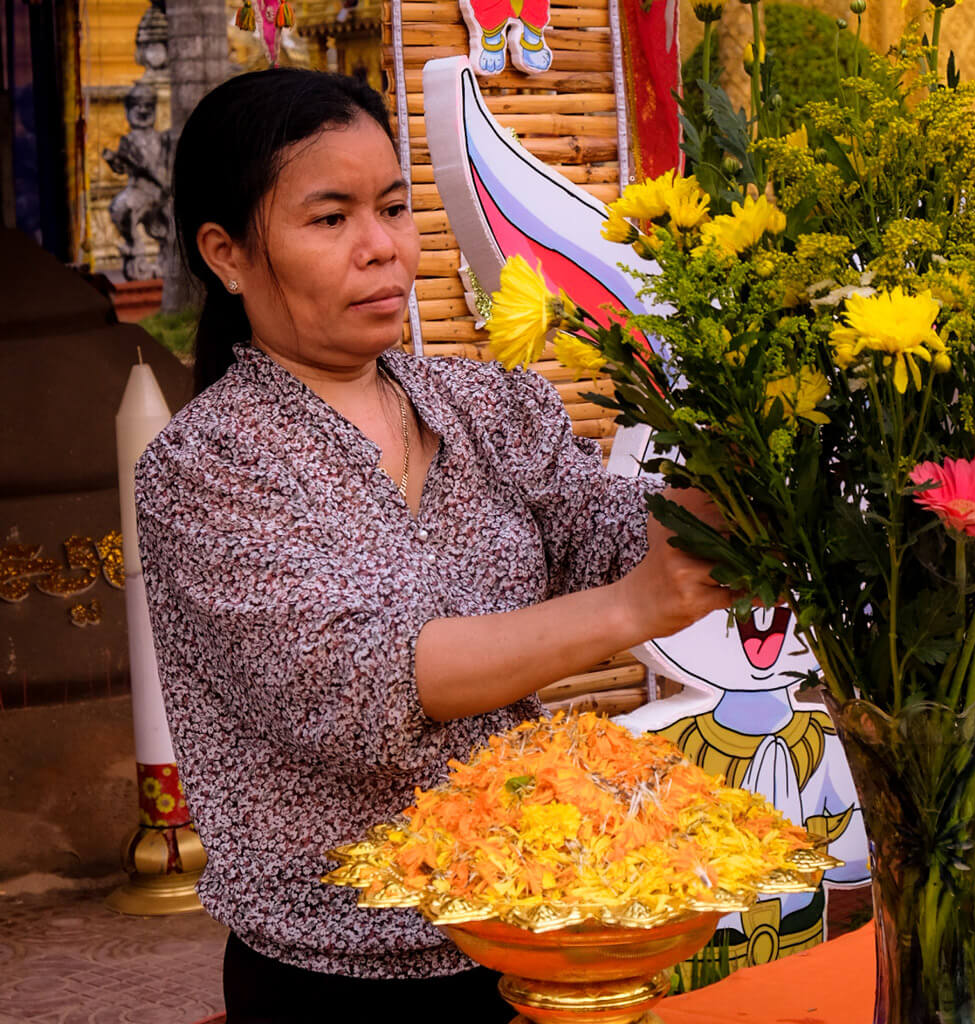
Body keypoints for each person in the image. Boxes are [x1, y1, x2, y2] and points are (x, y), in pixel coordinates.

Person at [135, 68, 735, 1024]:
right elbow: (358, 690)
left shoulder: (487, 405)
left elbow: (609, 537)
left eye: (394, 206)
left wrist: (744, 454)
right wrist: (633, 609)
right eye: (330, 219)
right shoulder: (208, 469)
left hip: (535, 936)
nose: (383, 249)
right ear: (228, 253)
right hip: (339, 979)